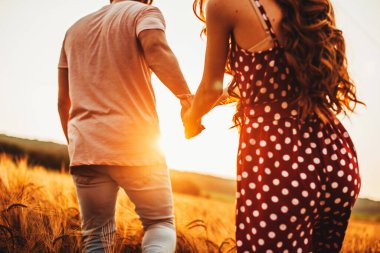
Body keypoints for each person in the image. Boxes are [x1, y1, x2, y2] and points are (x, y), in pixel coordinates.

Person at [183, 0, 363, 252]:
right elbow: (267, 78)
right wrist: (218, 101)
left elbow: (208, 89)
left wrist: (191, 118)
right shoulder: (309, 5)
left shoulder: (225, 4)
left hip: (282, 163)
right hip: (337, 159)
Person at [57, 0, 195, 252]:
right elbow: (156, 49)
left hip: (86, 150)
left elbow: (62, 102)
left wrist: (77, 146)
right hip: (137, 144)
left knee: (96, 238)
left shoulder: (73, 30)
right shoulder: (143, 12)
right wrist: (186, 98)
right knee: (159, 224)